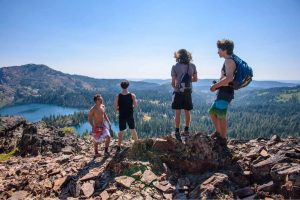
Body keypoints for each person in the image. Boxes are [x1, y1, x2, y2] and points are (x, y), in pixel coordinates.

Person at [209, 39, 236, 142]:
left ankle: (223, 139)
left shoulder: (229, 61)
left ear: (224, 49)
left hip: (226, 91)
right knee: (212, 112)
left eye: (219, 49)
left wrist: (215, 86)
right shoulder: (228, 60)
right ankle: (218, 131)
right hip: (223, 91)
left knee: (221, 115)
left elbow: (229, 78)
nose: (218, 52)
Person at [171, 49, 198, 142]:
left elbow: (173, 83)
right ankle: (186, 129)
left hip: (178, 92)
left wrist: (177, 86)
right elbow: (195, 79)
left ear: (178, 56)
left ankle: (177, 131)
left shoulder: (175, 66)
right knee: (187, 112)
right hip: (187, 92)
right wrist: (188, 80)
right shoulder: (192, 66)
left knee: (177, 112)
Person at [114, 80, 138, 151]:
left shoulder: (118, 96)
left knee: (121, 131)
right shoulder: (132, 95)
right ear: (128, 86)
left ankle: (119, 146)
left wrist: (119, 109)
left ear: (121, 86)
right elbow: (135, 105)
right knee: (133, 129)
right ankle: (137, 143)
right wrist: (131, 107)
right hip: (130, 115)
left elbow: (115, 108)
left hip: (122, 115)